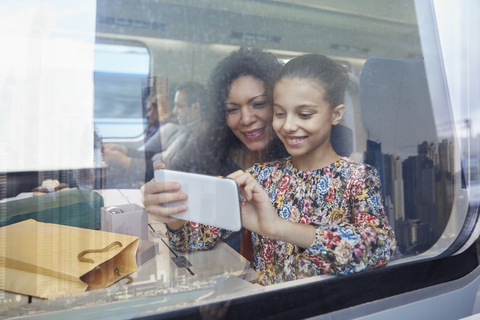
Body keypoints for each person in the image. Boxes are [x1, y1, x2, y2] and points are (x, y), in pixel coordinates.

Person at [161, 53, 396, 286]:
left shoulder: (358, 178)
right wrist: (174, 217)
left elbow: (379, 246)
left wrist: (278, 228)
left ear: (336, 114)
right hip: (268, 304)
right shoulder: (260, 177)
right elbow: (193, 240)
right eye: (280, 113)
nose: (288, 126)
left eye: (304, 114)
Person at [141, 47, 287, 251]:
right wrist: (170, 208)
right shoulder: (210, 146)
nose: (246, 119)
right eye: (233, 109)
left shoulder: (297, 167)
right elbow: (192, 233)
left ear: (281, 105)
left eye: (259, 104)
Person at [104, 82, 206, 186]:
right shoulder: (182, 130)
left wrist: (126, 162)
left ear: (195, 108)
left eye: (179, 106)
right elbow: (155, 155)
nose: (174, 111)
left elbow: (171, 171)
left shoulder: (199, 137)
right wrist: (126, 151)